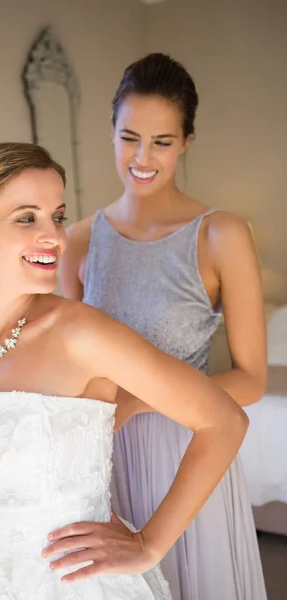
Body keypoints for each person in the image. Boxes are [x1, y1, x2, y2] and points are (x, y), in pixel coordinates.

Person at [0, 142, 248, 600]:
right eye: (27, 218)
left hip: (84, 584)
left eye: (57, 215)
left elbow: (225, 420)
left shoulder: (84, 334)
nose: (54, 236)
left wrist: (148, 546)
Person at [60, 54, 268, 600]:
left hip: (190, 451)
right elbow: (68, 372)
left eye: (162, 141)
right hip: (104, 458)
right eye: (130, 137)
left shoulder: (221, 235)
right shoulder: (77, 243)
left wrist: (139, 400)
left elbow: (250, 380)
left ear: (186, 142)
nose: (143, 157)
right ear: (110, 134)